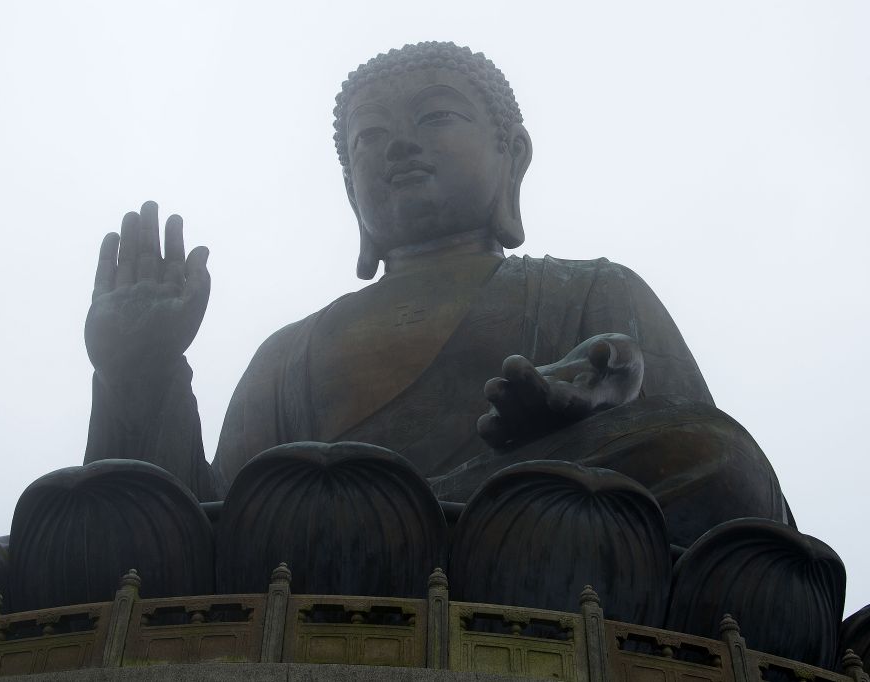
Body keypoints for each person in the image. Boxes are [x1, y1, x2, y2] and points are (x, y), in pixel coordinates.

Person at [83, 42, 789, 546]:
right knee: (128, 523)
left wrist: (591, 409)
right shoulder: (288, 353)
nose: (397, 147)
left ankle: (413, 523)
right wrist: (138, 376)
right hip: (313, 553)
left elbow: (707, 474)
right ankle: (409, 524)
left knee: (718, 455)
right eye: (370, 136)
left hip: (520, 525)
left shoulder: (588, 288)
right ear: (347, 187)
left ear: (512, 154)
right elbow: (199, 519)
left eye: (434, 118)